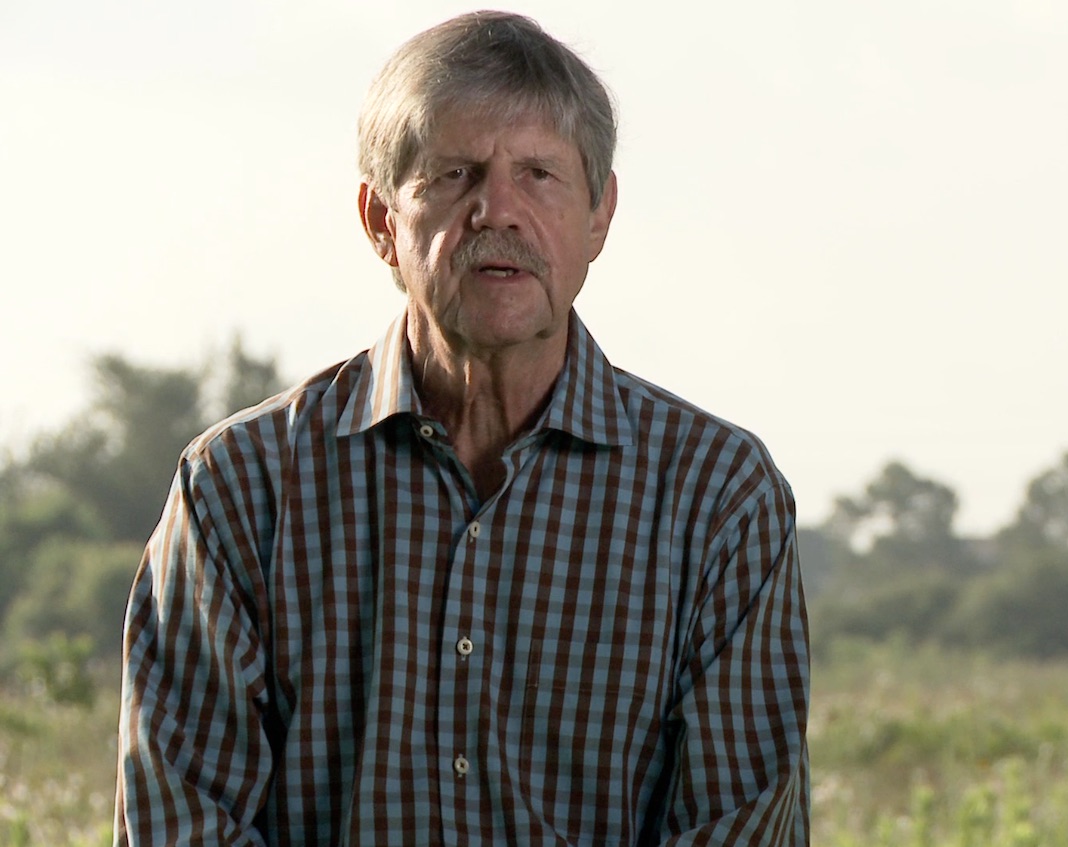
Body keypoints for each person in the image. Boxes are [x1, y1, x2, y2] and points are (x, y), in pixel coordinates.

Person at [114, 11, 809, 846]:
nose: (497, 212)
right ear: (380, 221)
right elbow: (183, 820)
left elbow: (739, 827)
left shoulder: (717, 496)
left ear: (600, 213)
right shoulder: (240, 487)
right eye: (454, 175)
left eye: (540, 174)